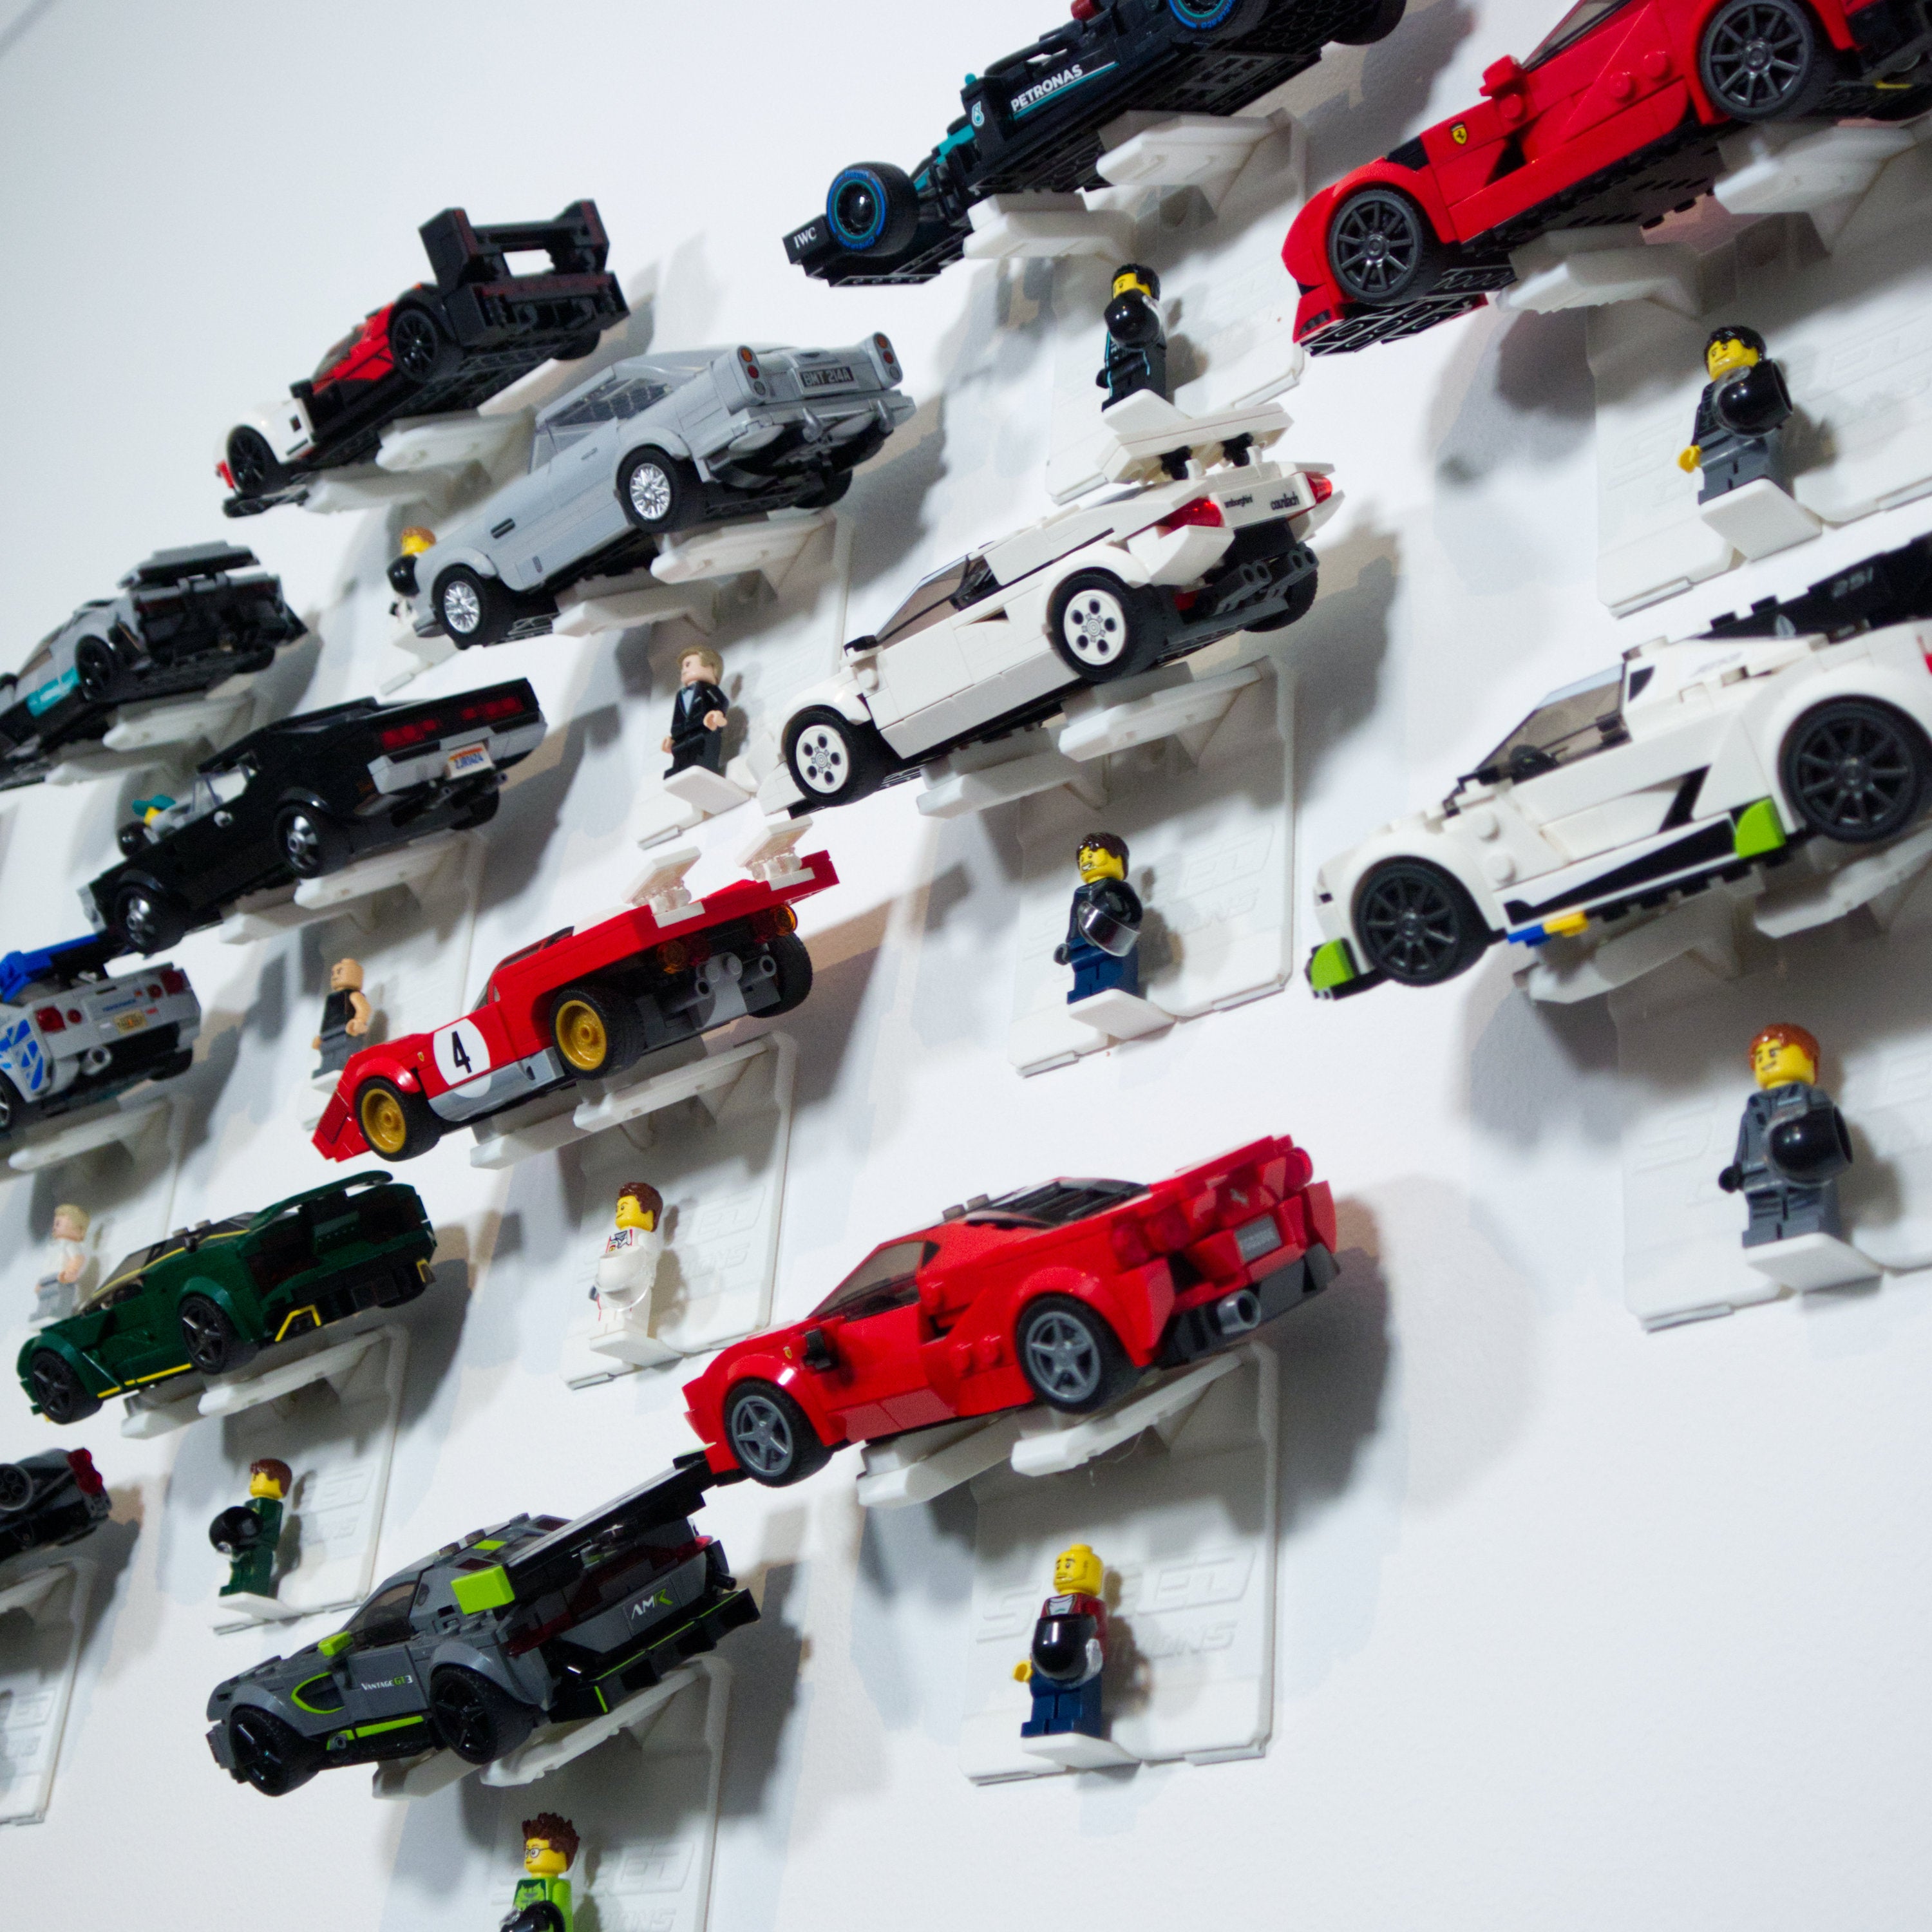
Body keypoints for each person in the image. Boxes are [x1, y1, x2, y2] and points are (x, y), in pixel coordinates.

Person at [1718, 1023, 1853, 1249]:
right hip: (1759, 1177)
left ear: (1809, 1059)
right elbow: (1745, 1143)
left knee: (1805, 1206)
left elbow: (1827, 1135)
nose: (1766, 1062)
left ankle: (1808, 1228)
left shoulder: (1811, 1099)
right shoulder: (1753, 1109)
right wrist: (1736, 1171)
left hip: (1803, 1175)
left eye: (1774, 1053)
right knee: (1764, 1211)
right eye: (1759, 1058)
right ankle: (1765, 1235)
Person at [1678, 324, 1794, 505]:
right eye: (1713, 354)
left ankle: (1761, 488)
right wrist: (1695, 446)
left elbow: (1774, 400)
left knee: (1755, 462)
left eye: (1725, 348)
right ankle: (1718, 499)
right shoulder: (1709, 392)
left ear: (1754, 350)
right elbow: (1702, 415)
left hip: (1753, 431)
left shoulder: (1756, 377)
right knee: (1715, 469)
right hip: (1714, 439)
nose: (1719, 355)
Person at [1014, 1544, 1109, 1739]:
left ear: (1089, 1571)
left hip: (1080, 1663)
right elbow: (1041, 1632)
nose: (1062, 1571)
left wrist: (1095, 1659)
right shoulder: (1050, 1604)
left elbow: (1097, 1634)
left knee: (1078, 1694)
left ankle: (1077, 1723)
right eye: (1059, 1566)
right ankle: (1041, 1722)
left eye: (1068, 1565)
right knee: (1042, 1691)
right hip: (1045, 1662)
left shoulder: (1091, 1604)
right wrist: (1033, 1660)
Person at [1054, 832, 1143, 1005]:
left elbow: (1133, 914)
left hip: (1112, 941)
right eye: (1082, 858)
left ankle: (1113, 985)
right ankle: (1083, 991)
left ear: (1118, 859)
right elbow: (1075, 920)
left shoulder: (1118, 889)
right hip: (1081, 943)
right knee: (1082, 967)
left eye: (1091, 855)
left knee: (1110, 965)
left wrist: (1117, 908)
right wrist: (1069, 945)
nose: (1086, 861)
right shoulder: (1080, 893)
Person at [591, 1182, 665, 1346]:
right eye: (619, 1208)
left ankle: (628, 1331)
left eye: (624, 1207)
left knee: (631, 1313)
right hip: (611, 1287)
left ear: (648, 1212)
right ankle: (606, 1330)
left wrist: (634, 1274)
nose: (620, 1212)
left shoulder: (643, 1237)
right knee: (606, 1308)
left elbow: (649, 1257)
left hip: (635, 1287)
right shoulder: (618, 1238)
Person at [209, 1458, 292, 1600]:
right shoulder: (251, 1504)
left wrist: (250, 1531)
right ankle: (236, 1584)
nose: (254, 1482)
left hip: (261, 1545)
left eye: (258, 1478)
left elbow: (265, 1522)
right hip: (246, 1543)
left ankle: (255, 1586)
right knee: (238, 1564)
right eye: (253, 1478)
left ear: (279, 1483)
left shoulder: (272, 1506)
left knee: (257, 1566)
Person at [1097, 263, 1168, 411]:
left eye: (1124, 285)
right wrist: (1108, 375)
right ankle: (1118, 401)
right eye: (1117, 288)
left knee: (1144, 382)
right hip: (1118, 369)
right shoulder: (1113, 326)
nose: (1121, 291)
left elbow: (1155, 340)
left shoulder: (1151, 315)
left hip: (1144, 363)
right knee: (1118, 391)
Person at [502, 1814, 579, 1932]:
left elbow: (561, 1918)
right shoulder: (523, 1885)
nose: (529, 1857)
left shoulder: (559, 1886)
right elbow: (515, 1913)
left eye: (534, 1852)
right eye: (528, 1851)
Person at [663, 645, 729, 779]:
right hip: (682, 734)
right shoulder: (680, 695)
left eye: (688, 665)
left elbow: (722, 703)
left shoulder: (709, 689)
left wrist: (718, 716)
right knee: (680, 752)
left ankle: (701, 764)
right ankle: (679, 768)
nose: (684, 671)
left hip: (704, 729)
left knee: (700, 748)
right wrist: (672, 740)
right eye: (683, 668)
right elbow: (679, 716)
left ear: (710, 666)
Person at [312, 957, 372, 1076]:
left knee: (345, 1052)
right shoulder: (332, 999)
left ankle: (344, 1066)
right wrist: (321, 1038)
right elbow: (328, 1018)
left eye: (339, 972)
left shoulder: (354, 995)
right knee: (328, 1052)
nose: (335, 976)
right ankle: (326, 1068)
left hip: (348, 1032)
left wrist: (359, 1021)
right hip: (329, 1035)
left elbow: (364, 1009)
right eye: (333, 973)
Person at [32, 1203, 90, 1326]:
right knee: (45, 1297)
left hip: (61, 1278)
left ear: (77, 1228)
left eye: (58, 1224)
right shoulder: (53, 1246)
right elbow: (47, 1264)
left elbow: (77, 1258)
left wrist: (72, 1271)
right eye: (54, 1224)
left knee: (58, 1297)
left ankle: (57, 1314)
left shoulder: (69, 1245)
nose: (54, 1227)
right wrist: (40, 1283)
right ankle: (42, 1314)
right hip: (47, 1279)